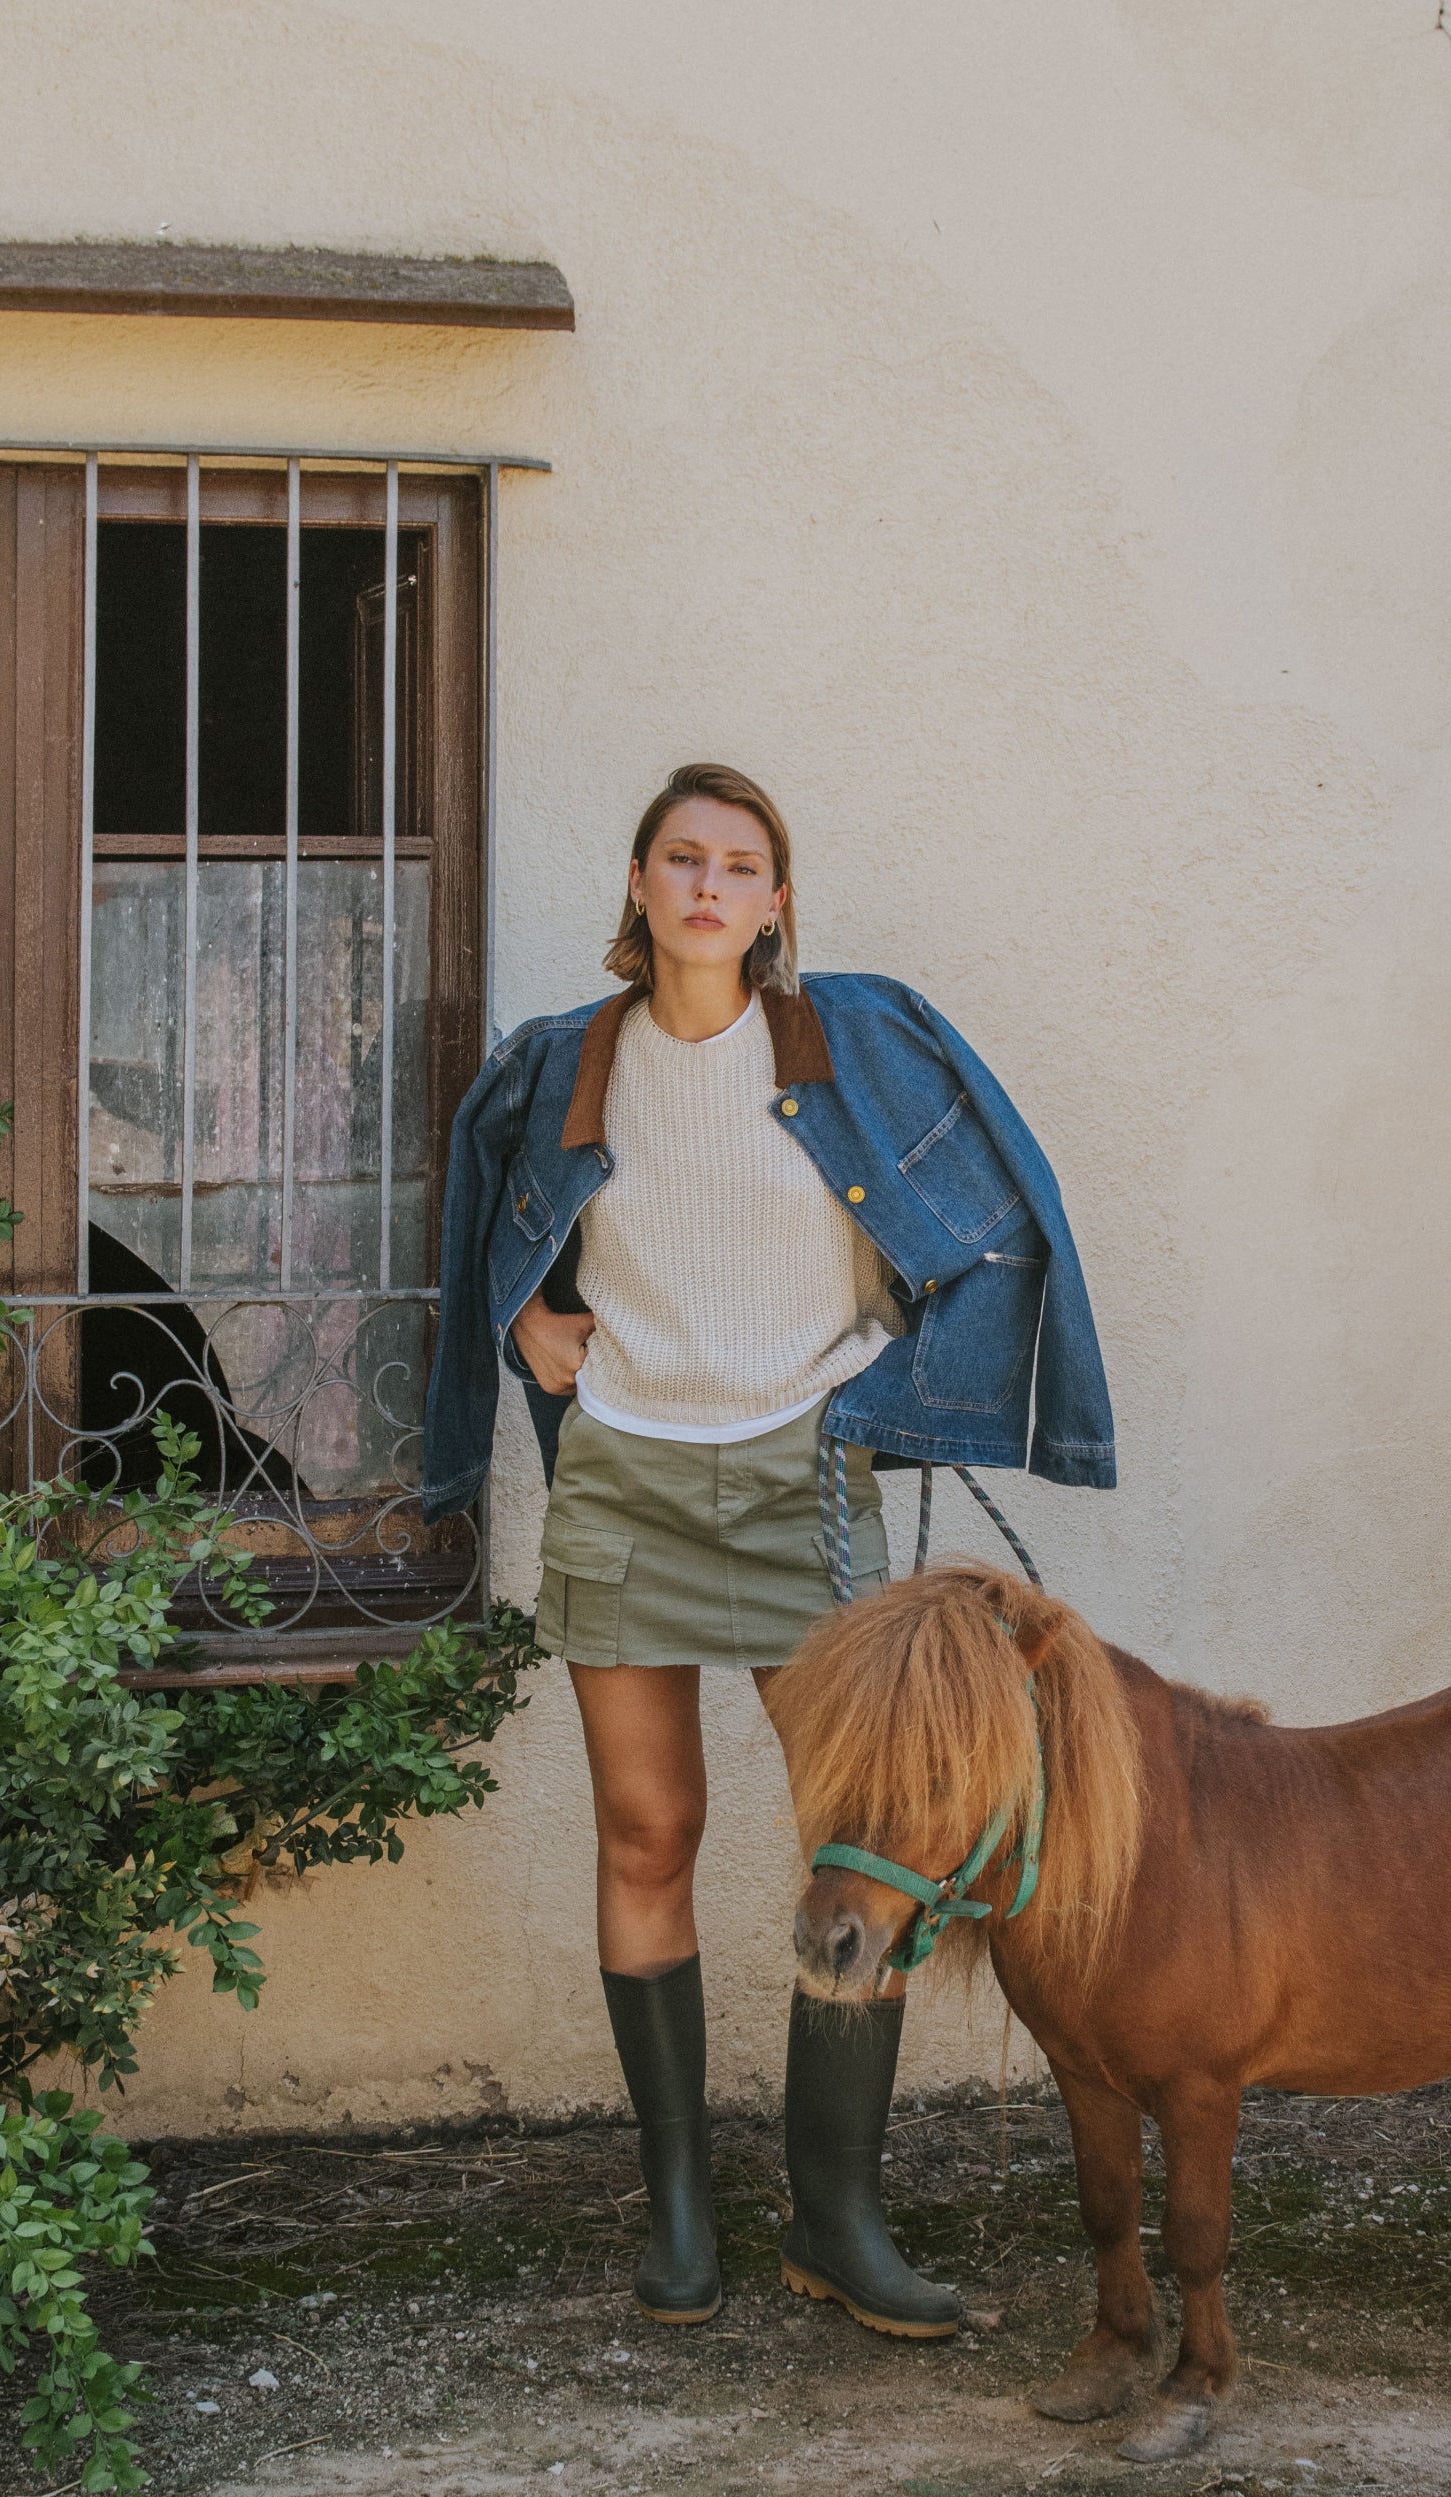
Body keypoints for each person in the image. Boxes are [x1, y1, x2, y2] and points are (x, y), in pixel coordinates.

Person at [423, 763, 1115, 2337]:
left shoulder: (851, 1045)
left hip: (803, 1478)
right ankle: (677, 2199)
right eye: (685, 858)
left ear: (777, 900)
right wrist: (518, 1309)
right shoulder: (565, 1063)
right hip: (623, 1476)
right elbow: (488, 1223)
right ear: (642, 883)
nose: (711, 886)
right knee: (647, 1831)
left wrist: (898, 1396)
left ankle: (837, 2217)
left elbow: (1003, 1219)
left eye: (743, 864)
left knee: (855, 1846)